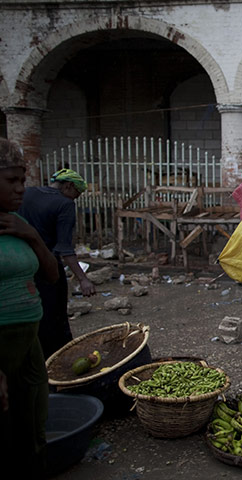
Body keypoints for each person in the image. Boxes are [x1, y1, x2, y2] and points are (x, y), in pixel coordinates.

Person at [0, 138, 60, 478]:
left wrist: (33, 236)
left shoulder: (16, 223)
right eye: (12, 181)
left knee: (34, 423)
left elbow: (51, 275)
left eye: (23, 180)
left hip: (28, 345)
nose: (21, 189)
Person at [18, 167, 95, 358]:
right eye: (76, 194)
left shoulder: (28, 193)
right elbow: (64, 248)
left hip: (22, 265)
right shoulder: (64, 204)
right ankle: (57, 361)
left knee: (31, 315)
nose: (75, 199)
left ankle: (34, 355)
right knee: (55, 317)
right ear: (68, 186)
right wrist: (83, 279)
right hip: (47, 267)